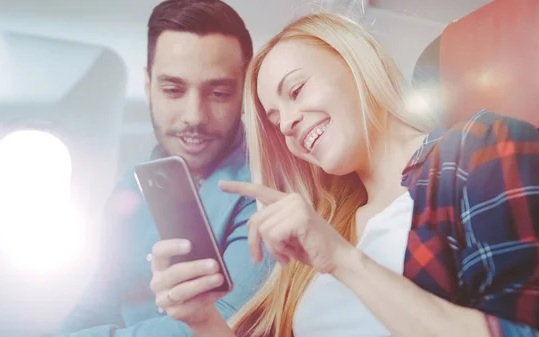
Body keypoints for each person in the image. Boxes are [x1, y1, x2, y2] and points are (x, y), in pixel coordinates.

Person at [149, 12, 539, 337]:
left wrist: (343, 261)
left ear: (355, 64)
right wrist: (201, 319)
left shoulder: (480, 146)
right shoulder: (326, 224)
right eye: (275, 118)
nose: (286, 123)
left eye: (297, 90)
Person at [58, 1, 273, 336]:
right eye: (173, 90)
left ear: (243, 93)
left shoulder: (267, 188)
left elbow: (228, 321)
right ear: (148, 89)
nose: (194, 116)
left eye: (218, 93)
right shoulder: (130, 186)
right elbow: (94, 304)